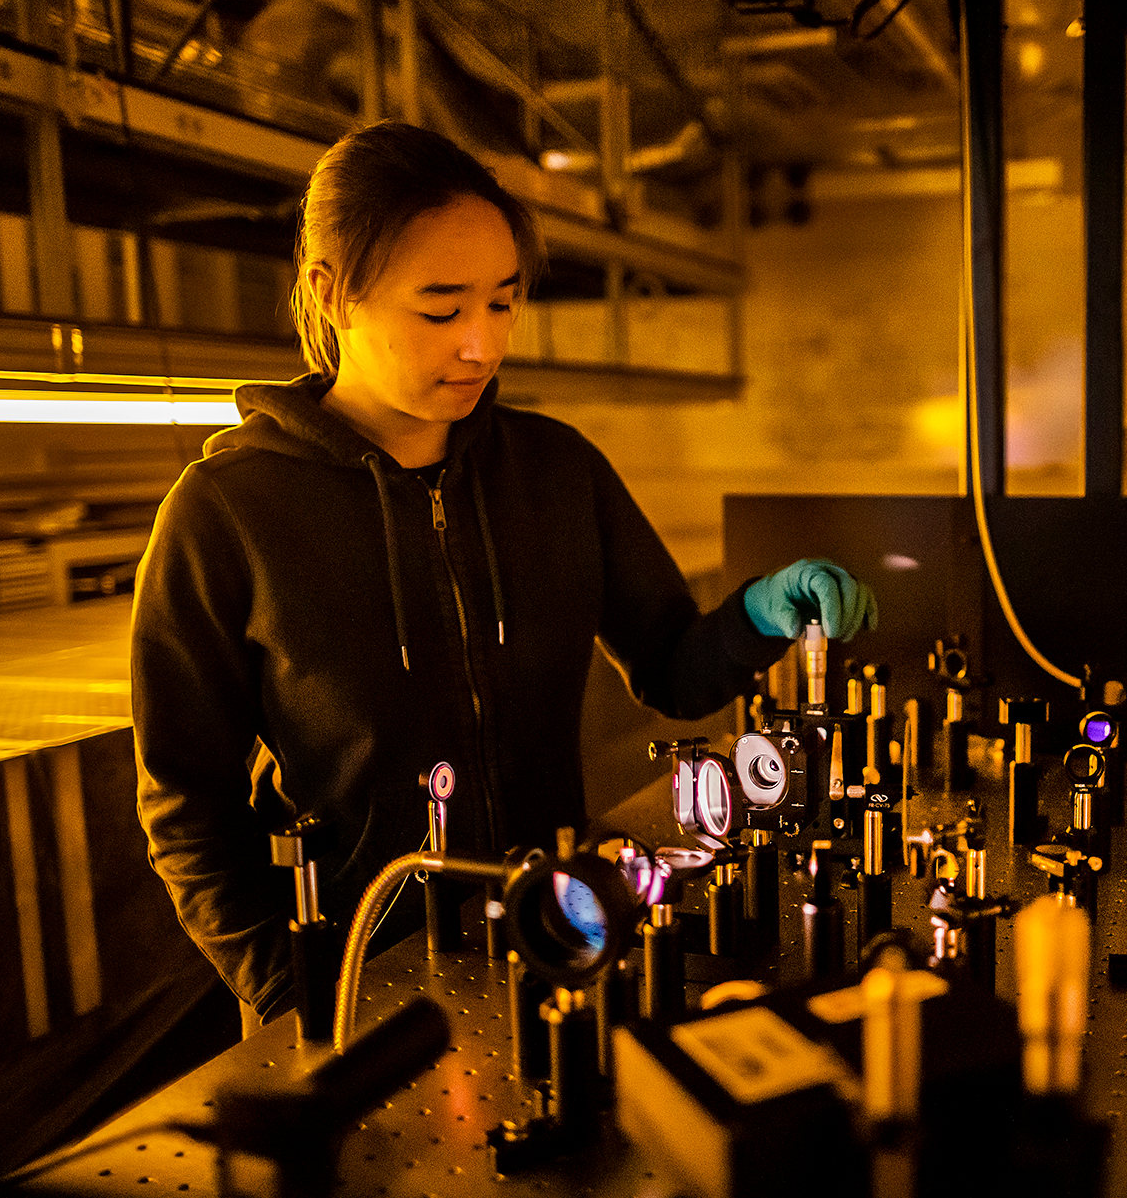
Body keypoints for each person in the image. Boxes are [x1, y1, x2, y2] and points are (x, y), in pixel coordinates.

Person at [132, 120, 875, 1028]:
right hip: (353, 981)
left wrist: (761, 614)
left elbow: (673, 668)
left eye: (504, 302)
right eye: (441, 309)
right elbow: (186, 803)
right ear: (333, 294)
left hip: (560, 937)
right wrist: (289, 990)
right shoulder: (227, 511)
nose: (482, 346)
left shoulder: (556, 470)